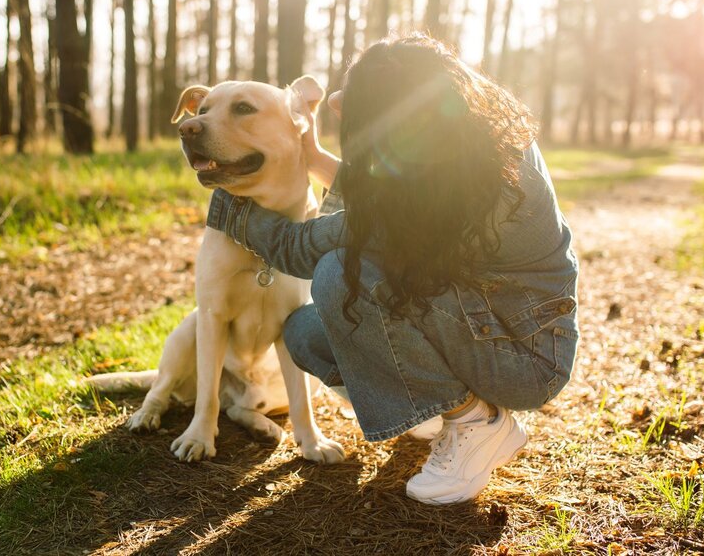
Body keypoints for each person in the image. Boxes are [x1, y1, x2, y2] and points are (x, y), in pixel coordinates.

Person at [206, 34, 579, 505]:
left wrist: (231, 205)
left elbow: (298, 248)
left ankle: (476, 424)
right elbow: (392, 189)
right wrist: (314, 152)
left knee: (340, 275)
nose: (348, 115)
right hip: (479, 324)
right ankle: (433, 405)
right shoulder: (467, 142)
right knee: (305, 331)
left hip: (524, 358)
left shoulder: (480, 185)